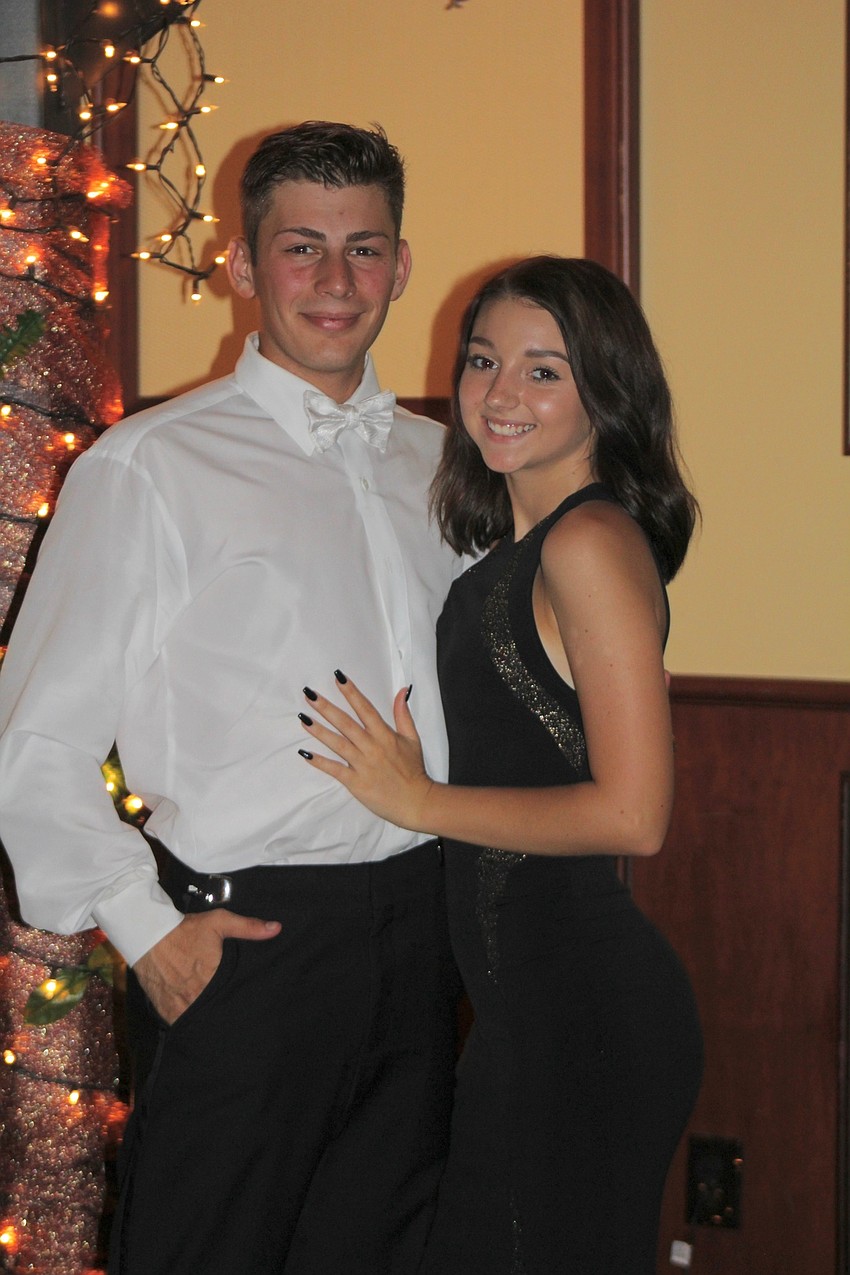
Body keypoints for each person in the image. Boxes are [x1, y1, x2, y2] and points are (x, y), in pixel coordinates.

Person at [0, 122, 463, 1275]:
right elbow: (37, 740)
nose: (334, 281)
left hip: (425, 933)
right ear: (244, 265)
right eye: (301, 248)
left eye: (363, 250)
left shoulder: (441, 466)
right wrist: (152, 937)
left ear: (400, 266)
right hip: (244, 947)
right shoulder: (148, 468)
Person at [298, 256, 705, 1274]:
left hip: (583, 1012)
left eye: (542, 371)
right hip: (527, 1009)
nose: (499, 394)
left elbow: (634, 816)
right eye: (483, 361)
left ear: (605, 392)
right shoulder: (512, 549)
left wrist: (421, 801)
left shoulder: (590, 544)